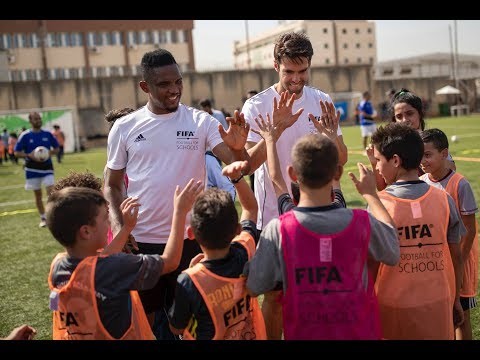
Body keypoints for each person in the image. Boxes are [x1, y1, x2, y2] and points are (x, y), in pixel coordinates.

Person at [103, 48, 251, 339]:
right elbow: (110, 184)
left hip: (191, 241)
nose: (174, 90)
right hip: (142, 242)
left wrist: (237, 147)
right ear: (145, 87)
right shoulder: (125, 127)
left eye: (178, 82)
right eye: (164, 84)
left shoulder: (201, 122)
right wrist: (120, 227)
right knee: (145, 323)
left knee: (195, 322)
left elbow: (238, 165)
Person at [241, 32, 348, 340]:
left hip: (318, 213)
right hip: (273, 216)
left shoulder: (322, 100)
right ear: (276, 66)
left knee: (315, 292)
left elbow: (340, 157)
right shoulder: (257, 105)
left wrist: (330, 136)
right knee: (274, 296)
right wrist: (273, 131)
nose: (296, 79)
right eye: (289, 72)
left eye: (302, 72)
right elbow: (248, 164)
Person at [244, 133, 399, 339]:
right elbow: (392, 251)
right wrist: (371, 195)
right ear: (338, 173)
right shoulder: (361, 222)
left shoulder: (279, 229)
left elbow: (254, 285)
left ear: (292, 174)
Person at [46, 180, 203, 340]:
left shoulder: (58, 265)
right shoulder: (115, 267)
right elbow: (170, 262)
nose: (109, 224)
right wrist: (179, 212)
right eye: (105, 218)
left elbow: (100, 260)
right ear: (86, 231)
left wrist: (126, 228)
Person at [370, 122, 464, 339]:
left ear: (395, 160)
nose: (376, 167)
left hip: (392, 305)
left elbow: (372, 262)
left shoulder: (379, 203)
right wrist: (455, 298)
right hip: (439, 301)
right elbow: (456, 256)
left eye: (378, 160)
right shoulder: (444, 199)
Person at [168, 160, 267, 340]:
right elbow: (251, 209)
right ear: (237, 230)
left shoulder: (189, 281)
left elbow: (176, 328)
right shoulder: (243, 251)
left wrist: (179, 212)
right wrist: (237, 178)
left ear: (192, 234)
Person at [419, 128, 479, 340]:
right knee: (441, 313)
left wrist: (459, 260)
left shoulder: (460, 184)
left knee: (461, 315)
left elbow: (470, 229)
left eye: (428, 155)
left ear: (444, 154)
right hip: (437, 261)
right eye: (420, 155)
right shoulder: (422, 184)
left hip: (460, 259)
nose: (423, 161)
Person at [251, 108, 346, 213]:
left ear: (293, 174)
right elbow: (276, 178)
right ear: (337, 173)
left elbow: (276, 178)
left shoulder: (289, 216)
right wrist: (330, 137)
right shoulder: (346, 211)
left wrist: (270, 140)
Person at [366, 88, 456, 191]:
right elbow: (381, 187)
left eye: (409, 113)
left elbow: (451, 169)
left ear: (420, 114)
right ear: (394, 120)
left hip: (432, 198)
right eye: (399, 116)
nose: (404, 120)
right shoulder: (391, 146)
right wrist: (374, 162)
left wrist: (423, 155)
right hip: (405, 201)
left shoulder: (431, 140)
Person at [14, 112, 59, 228]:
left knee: (51, 191)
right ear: (30, 121)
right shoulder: (25, 136)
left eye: (39, 118)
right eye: (35, 119)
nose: (38, 120)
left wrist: (48, 153)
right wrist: (30, 155)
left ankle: (52, 216)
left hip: (47, 167)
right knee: (38, 195)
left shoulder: (48, 134)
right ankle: (43, 218)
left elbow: (57, 148)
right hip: (32, 169)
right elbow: (16, 152)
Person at [245, 90, 258, 193]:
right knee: (252, 177)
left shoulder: (261, 110)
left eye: (252, 97)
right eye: (249, 97)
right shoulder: (247, 110)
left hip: (261, 152)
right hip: (251, 150)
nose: (250, 100)